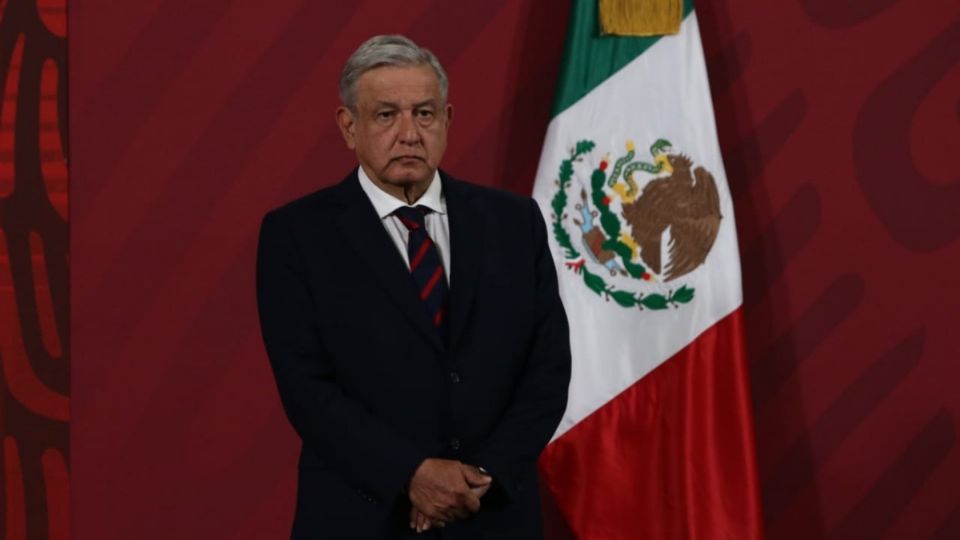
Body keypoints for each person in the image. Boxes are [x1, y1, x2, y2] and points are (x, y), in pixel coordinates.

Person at [256, 34, 571, 539]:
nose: (409, 133)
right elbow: (307, 388)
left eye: (424, 114)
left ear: (446, 121)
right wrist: (413, 475)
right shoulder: (297, 235)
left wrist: (479, 479)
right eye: (386, 115)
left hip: (492, 515)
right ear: (348, 127)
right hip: (362, 516)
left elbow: (548, 368)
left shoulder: (514, 222)